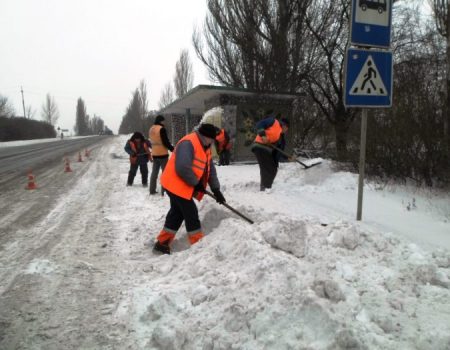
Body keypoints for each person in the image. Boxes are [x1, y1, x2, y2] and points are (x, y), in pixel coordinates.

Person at [153, 123, 226, 254]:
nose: (213, 142)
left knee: (177, 213)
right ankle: (198, 244)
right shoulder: (189, 143)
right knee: (190, 212)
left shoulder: (206, 146)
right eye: (212, 139)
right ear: (205, 136)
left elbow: (211, 170)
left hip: (182, 185)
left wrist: (216, 190)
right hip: (174, 184)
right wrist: (196, 183)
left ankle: (162, 242)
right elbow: (182, 167)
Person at [251, 117, 289, 192]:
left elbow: (279, 151)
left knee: (272, 168)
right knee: (268, 168)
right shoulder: (274, 121)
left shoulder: (279, 135)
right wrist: (263, 135)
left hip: (266, 150)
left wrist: (287, 158)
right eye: (287, 128)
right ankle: (265, 188)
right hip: (260, 146)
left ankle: (266, 187)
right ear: (285, 126)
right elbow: (259, 124)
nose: (286, 131)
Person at [148, 115, 174, 195]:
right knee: (165, 173)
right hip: (162, 154)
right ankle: (164, 190)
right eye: (163, 121)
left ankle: (152, 190)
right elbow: (165, 141)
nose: (164, 122)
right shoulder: (161, 129)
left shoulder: (151, 129)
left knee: (154, 173)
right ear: (160, 121)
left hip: (155, 154)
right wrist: (172, 149)